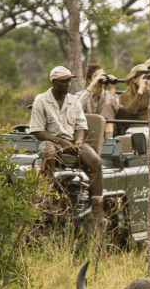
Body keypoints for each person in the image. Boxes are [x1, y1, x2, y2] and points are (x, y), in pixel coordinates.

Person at [30, 66, 105, 222]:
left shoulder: (73, 101)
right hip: (50, 141)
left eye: (69, 81)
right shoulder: (41, 100)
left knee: (96, 162)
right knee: (47, 151)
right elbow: (37, 131)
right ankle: (49, 198)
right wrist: (61, 142)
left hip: (71, 141)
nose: (68, 84)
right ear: (54, 82)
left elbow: (80, 127)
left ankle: (97, 207)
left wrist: (77, 142)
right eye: (64, 82)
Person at [77, 62, 120, 138]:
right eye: (96, 76)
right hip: (86, 129)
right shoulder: (80, 95)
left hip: (105, 131)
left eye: (103, 76)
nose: (100, 79)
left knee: (108, 112)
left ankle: (109, 141)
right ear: (89, 80)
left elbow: (113, 109)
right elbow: (78, 107)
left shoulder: (110, 95)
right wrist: (93, 84)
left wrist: (112, 89)